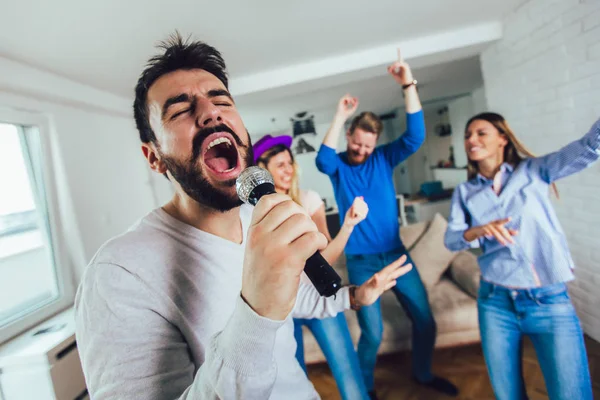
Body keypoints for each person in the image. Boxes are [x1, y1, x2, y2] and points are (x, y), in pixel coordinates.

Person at [74, 33, 414, 400]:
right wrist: (256, 308)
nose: (210, 112)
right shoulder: (119, 274)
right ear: (153, 156)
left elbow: (297, 299)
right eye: (180, 109)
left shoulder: (257, 217)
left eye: (221, 100)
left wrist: (354, 297)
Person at [315, 53, 458, 399]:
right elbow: (321, 159)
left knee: (425, 320)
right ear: (349, 136)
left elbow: (416, 136)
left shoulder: (383, 158)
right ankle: (364, 390)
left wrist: (408, 84)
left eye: (367, 145)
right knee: (373, 334)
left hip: (396, 254)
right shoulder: (338, 167)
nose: (361, 151)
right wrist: (339, 115)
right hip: (362, 261)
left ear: (376, 143)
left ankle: (422, 374)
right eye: (356, 143)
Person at [444, 112, 598, 400]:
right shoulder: (465, 192)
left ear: (502, 138)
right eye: (467, 135)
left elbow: (587, 148)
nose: (471, 140)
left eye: (481, 133)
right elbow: (452, 241)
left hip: (548, 300)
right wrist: (478, 230)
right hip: (495, 302)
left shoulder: (535, 171)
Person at [253, 134, 370, 399]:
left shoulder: (308, 199)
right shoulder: (255, 216)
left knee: (348, 374)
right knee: (296, 381)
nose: (289, 169)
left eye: (290, 163)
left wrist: (349, 225)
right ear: (263, 169)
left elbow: (325, 258)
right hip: (283, 307)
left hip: (320, 296)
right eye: (280, 164)